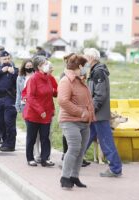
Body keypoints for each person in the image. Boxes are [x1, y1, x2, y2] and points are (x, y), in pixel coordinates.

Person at [57, 54, 96, 188]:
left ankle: (74, 176)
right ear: (80, 66)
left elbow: (87, 100)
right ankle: (64, 177)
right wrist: (82, 112)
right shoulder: (66, 81)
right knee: (74, 148)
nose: (87, 68)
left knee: (81, 150)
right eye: (85, 65)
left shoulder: (80, 80)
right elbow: (63, 101)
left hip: (84, 121)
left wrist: (90, 115)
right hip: (70, 120)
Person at [84, 48, 123, 177]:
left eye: (86, 57)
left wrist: (91, 110)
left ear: (92, 58)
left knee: (106, 141)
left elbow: (99, 95)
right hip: (96, 114)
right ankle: (73, 161)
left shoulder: (98, 72)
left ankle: (115, 168)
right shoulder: (95, 71)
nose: (85, 60)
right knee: (86, 138)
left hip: (98, 114)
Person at [22, 56, 55, 167]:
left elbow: (51, 93)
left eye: (47, 63)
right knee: (31, 138)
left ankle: (45, 159)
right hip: (33, 114)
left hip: (46, 113)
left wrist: (52, 109)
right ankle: (30, 158)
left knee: (45, 137)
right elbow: (30, 97)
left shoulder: (48, 78)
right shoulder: (33, 79)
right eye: (44, 64)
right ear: (38, 67)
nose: (47, 66)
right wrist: (40, 110)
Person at [0, 51, 18, 152]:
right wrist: (1, 71)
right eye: (4, 59)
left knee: (9, 122)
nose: (7, 61)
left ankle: (11, 144)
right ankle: (5, 142)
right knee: (1, 123)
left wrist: (13, 73)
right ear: (0, 60)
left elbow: (19, 80)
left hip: (10, 98)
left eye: (8, 59)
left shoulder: (15, 70)